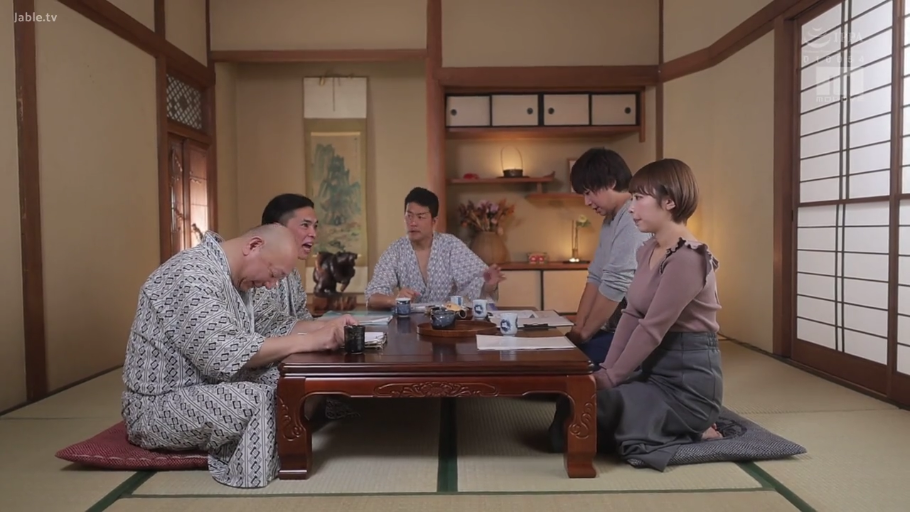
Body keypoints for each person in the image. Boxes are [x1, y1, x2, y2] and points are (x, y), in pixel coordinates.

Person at [121, 224, 351, 489]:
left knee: (299, 378)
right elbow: (225, 353)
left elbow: (278, 325)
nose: (271, 285)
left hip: (211, 386)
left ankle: (284, 440)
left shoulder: (240, 279)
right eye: (273, 274)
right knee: (259, 400)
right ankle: (255, 472)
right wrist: (311, 340)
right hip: (160, 404)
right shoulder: (191, 274)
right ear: (253, 246)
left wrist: (330, 327)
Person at [548, 158, 724, 470]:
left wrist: (612, 378)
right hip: (653, 375)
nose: (631, 208)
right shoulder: (647, 250)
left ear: (669, 201)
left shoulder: (688, 258)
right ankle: (667, 423)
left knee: (587, 416)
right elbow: (631, 315)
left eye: (640, 198)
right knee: (573, 401)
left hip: (687, 385)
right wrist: (605, 371)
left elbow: (651, 328)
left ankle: (692, 425)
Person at [254, 193, 360, 422]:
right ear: (277, 228)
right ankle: (296, 431)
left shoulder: (291, 271)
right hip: (262, 366)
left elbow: (302, 318)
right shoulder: (257, 270)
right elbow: (271, 330)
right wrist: (323, 332)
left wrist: (332, 326)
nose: (313, 233)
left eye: (315, 226)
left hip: (291, 355)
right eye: (305, 225)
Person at [566, 148, 652, 365]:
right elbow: (596, 277)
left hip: (642, 332)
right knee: (565, 354)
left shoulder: (632, 216)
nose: (586, 202)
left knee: (570, 363)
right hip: (619, 328)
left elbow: (616, 282)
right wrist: (578, 329)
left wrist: (584, 335)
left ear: (611, 183)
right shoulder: (610, 220)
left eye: (588, 192)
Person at [364, 187, 505, 309]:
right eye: (409, 216)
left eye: (420, 217)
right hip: (409, 324)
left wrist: (489, 284)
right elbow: (372, 296)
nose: (413, 223)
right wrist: (395, 299)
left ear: (434, 221)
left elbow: (479, 285)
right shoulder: (396, 251)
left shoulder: (450, 246)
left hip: (449, 323)